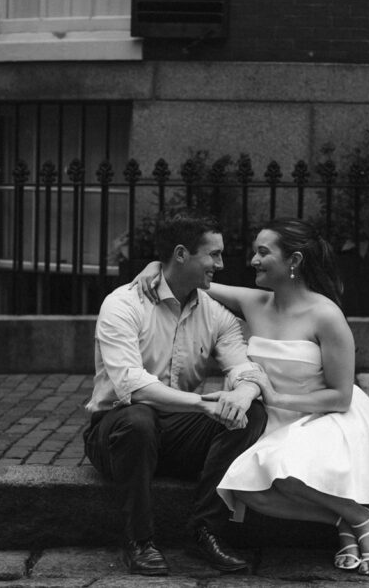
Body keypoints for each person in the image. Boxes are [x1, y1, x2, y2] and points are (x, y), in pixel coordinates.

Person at [132, 217, 369, 577]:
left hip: (322, 415)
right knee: (246, 488)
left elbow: (341, 396)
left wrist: (275, 396)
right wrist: (154, 266)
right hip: (272, 420)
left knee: (281, 475)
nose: (252, 260)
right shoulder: (254, 302)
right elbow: (189, 276)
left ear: (295, 261)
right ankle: (354, 517)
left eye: (263, 252)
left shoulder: (326, 315)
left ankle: (364, 522)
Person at [84, 211, 268, 576]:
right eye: (213, 255)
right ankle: (139, 541)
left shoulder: (215, 314)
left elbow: (244, 367)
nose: (221, 264)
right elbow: (132, 386)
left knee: (252, 416)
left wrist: (244, 393)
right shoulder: (123, 304)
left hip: (174, 431)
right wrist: (203, 404)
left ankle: (205, 531)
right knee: (140, 420)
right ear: (182, 254)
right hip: (117, 431)